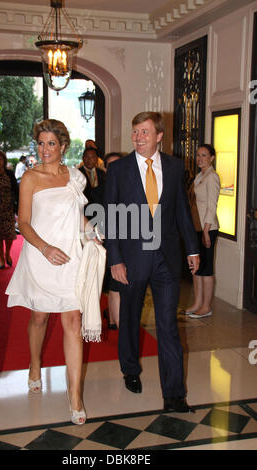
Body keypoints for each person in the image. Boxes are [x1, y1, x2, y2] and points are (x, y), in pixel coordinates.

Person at [104, 111, 200, 413]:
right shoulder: (118, 170)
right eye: (135, 132)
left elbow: (182, 211)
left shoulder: (173, 167)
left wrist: (192, 250)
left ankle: (174, 394)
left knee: (168, 326)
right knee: (130, 319)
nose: (138, 138)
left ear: (159, 136)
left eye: (144, 132)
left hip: (166, 260)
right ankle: (130, 369)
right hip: (131, 259)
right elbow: (111, 217)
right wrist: (115, 260)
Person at [6, 119, 95, 426]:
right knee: (40, 317)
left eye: (51, 144)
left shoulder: (76, 177)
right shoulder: (30, 177)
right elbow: (25, 222)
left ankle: (74, 395)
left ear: (63, 146)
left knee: (73, 320)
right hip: (40, 255)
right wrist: (45, 248)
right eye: (41, 143)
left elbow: (79, 216)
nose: (45, 150)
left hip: (70, 255)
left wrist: (93, 232)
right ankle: (34, 364)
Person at [181, 144, 220, 319]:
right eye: (198, 155)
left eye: (204, 155)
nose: (200, 158)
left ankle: (206, 306)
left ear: (211, 158)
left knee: (206, 269)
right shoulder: (199, 176)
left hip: (207, 228)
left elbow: (212, 206)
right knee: (195, 269)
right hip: (196, 228)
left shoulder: (212, 177)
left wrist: (205, 230)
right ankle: (197, 303)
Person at [102, 152, 124, 330]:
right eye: (111, 165)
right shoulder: (100, 189)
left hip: (129, 243)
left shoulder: (131, 186)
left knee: (119, 285)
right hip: (107, 243)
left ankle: (112, 318)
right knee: (115, 285)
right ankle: (118, 323)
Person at [0, 149, 18, 269]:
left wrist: (18, 207)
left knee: (9, 234)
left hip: (9, 209)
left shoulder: (10, 174)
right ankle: (1, 258)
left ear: (4, 160)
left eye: (0, 159)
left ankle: (8, 253)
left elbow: (16, 190)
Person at [79, 147, 106, 213]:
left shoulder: (102, 173)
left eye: (92, 157)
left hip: (100, 210)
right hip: (84, 211)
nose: (89, 160)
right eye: (87, 157)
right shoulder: (78, 174)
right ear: (83, 158)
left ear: (97, 159)